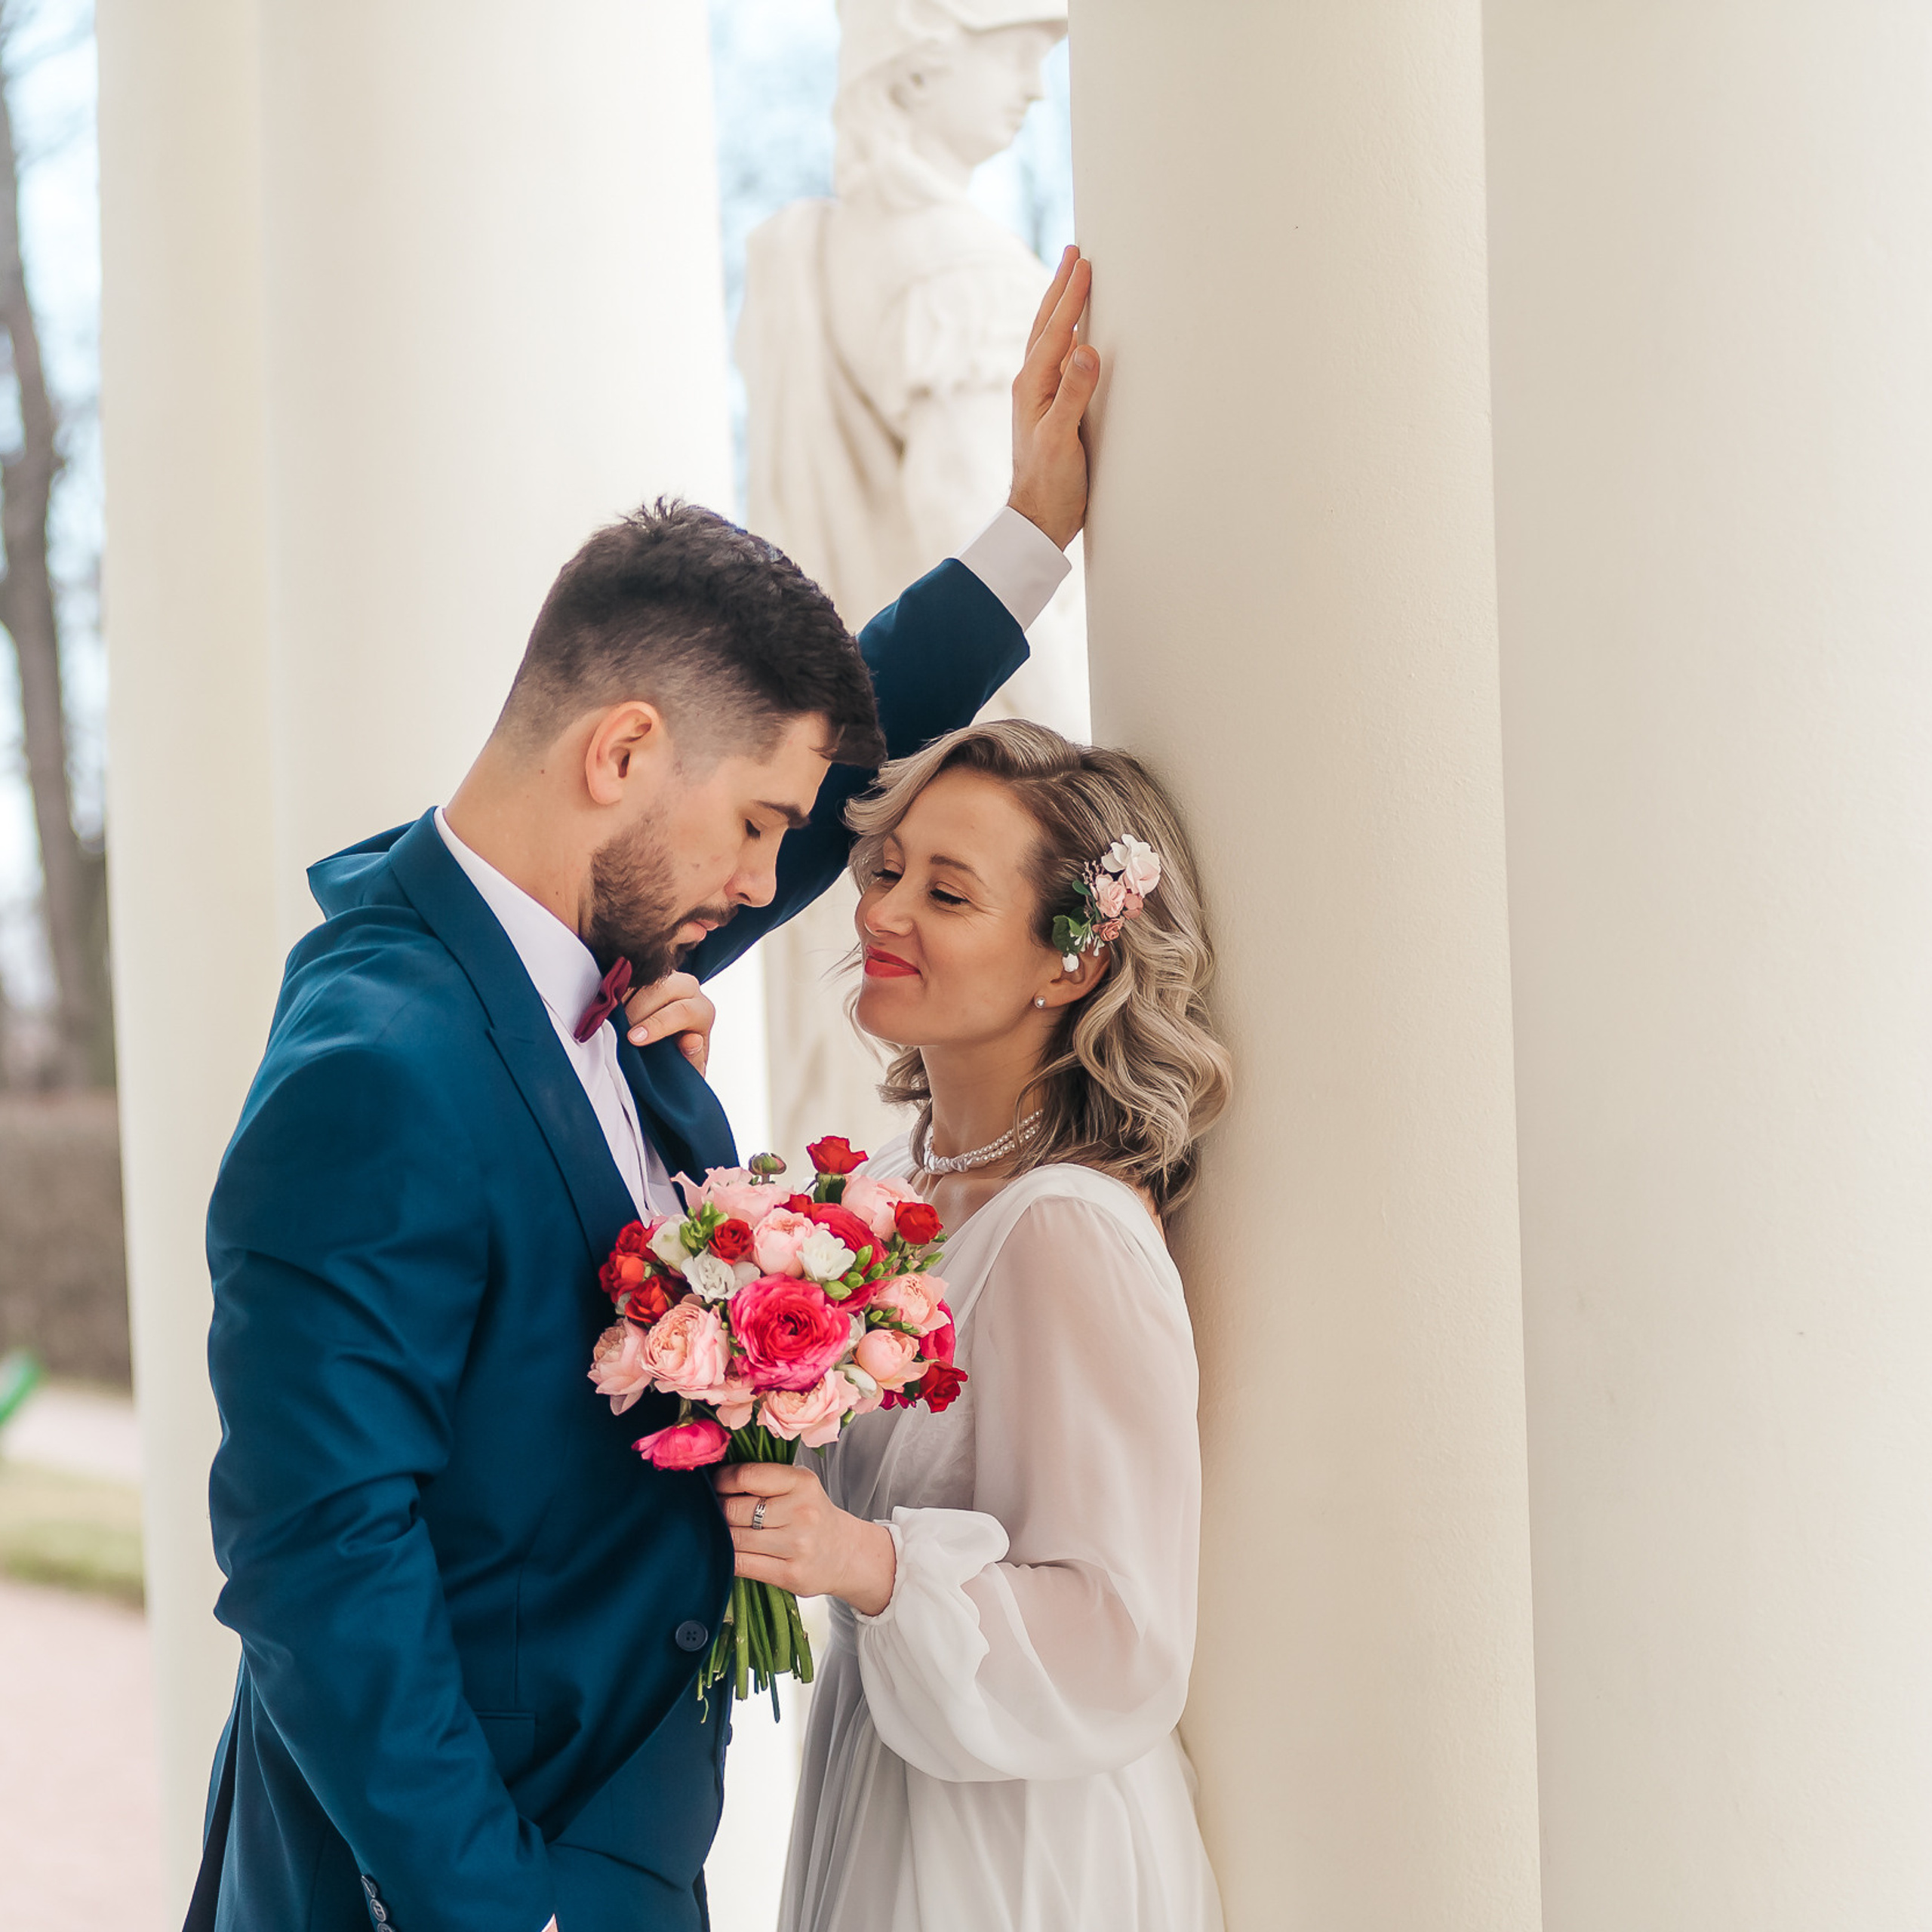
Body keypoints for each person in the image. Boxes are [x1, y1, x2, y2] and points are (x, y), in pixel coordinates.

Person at [186, 259, 1100, 1932]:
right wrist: (498, 1907)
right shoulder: (375, 1073)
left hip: (613, 1846)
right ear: (618, 755)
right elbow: (323, 1559)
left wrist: (1030, 538)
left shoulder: (575, 944)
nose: (774, 875)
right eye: (753, 823)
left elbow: (805, 777)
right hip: (459, 1884)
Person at [713, 719, 1234, 1931]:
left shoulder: (1068, 1230)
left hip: (1013, 1843)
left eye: (946, 893)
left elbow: (1124, 1634)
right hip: (888, 1776)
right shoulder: (897, 1187)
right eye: (886, 872)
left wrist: (868, 1563)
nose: (882, 915)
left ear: (1072, 963)